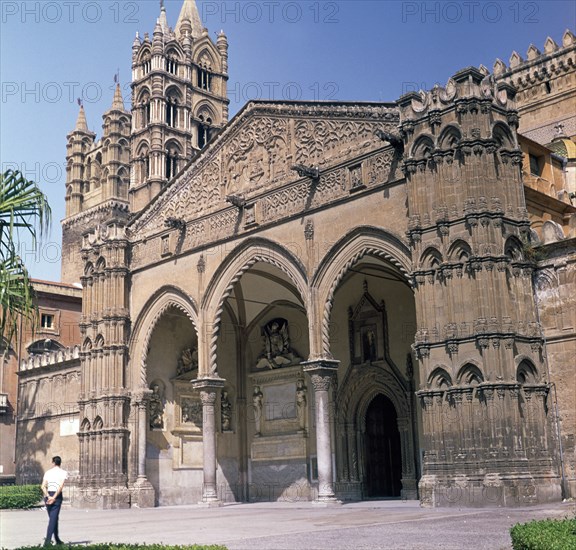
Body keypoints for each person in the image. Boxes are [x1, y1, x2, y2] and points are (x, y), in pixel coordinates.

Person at [41, 456, 68, 546]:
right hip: (57, 496)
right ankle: (47, 542)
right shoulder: (63, 473)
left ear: (53, 462)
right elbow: (60, 486)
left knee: (53, 518)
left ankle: (57, 539)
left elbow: (43, 486)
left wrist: (49, 496)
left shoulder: (48, 472)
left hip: (48, 496)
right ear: (60, 463)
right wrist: (54, 497)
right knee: (53, 519)